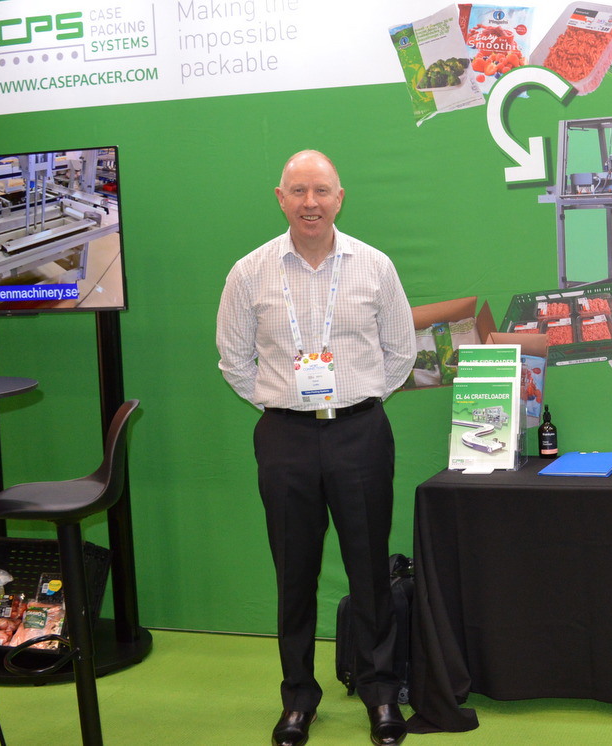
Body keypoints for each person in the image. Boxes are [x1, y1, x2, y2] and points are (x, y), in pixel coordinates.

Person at [216, 150, 417, 746]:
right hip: (285, 438)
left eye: (322, 191)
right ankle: (298, 698)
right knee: (294, 573)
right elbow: (234, 359)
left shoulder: (374, 266)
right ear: (280, 198)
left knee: (369, 568)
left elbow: (401, 352)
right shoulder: (248, 272)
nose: (311, 203)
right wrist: (283, 405)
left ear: (339, 198)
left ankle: (382, 694)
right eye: (299, 191)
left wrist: (357, 400)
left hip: (360, 432)